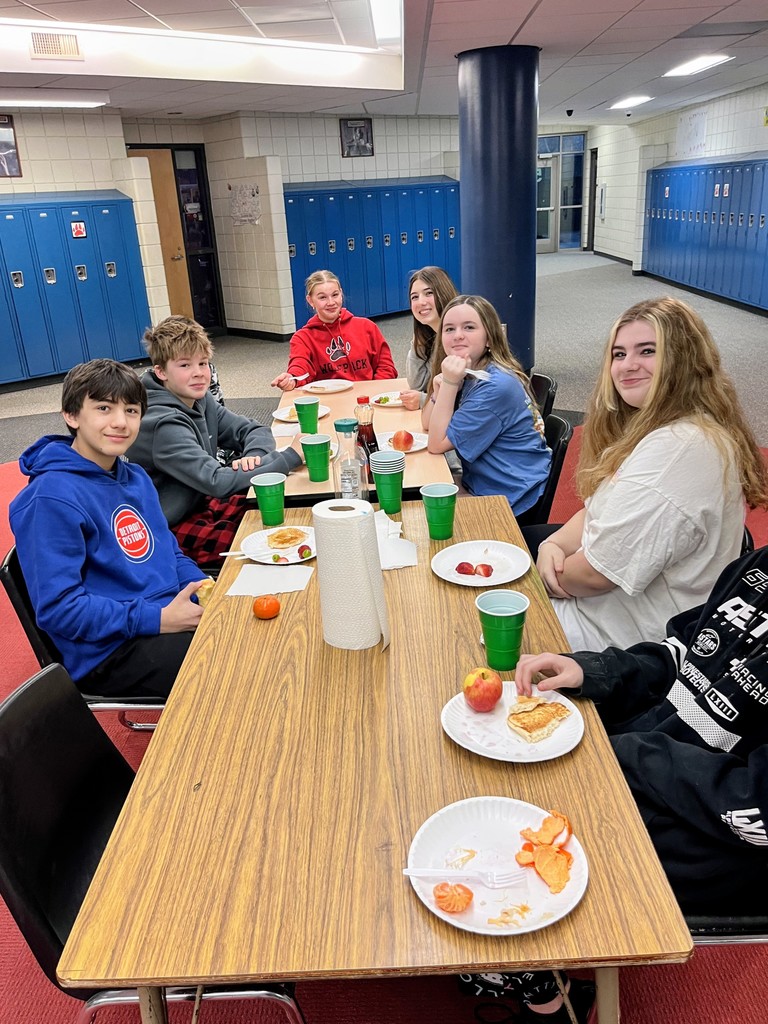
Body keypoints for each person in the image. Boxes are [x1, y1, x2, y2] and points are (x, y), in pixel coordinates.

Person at [515, 544, 768, 915]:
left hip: (703, 835)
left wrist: (629, 754)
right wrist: (595, 671)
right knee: (510, 763)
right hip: (642, 754)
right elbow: (679, 654)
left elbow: (754, 805)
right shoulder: (757, 568)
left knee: (532, 850)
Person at [533, 297, 768, 652]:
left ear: (683, 359)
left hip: (617, 645)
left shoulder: (679, 450)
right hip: (598, 612)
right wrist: (551, 545)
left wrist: (544, 574)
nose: (628, 365)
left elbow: (596, 576)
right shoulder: (660, 429)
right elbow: (596, 510)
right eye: (619, 354)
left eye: (647, 351)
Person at [9, 359, 208, 699]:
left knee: (248, 631)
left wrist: (201, 587)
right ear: (72, 415)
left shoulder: (135, 477)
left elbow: (169, 552)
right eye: (104, 408)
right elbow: (60, 610)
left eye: (131, 411)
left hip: (162, 614)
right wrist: (157, 619)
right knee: (231, 665)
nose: (120, 422)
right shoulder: (49, 499)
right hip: (110, 649)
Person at [127, 315, 303, 571]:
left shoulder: (198, 398)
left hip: (201, 501)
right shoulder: (161, 424)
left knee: (285, 509)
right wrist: (290, 457)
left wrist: (252, 456)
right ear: (161, 371)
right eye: (185, 365)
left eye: (203, 363)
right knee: (263, 542)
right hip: (169, 527)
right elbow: (217, 481)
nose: (199, 373)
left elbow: (253, 429)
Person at [421, 294, 551, 517]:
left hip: (512, 497)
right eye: (449, 329)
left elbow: (436, 443)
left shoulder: (495, 387)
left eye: (469, 327)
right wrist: (439, 388)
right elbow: (426, 423)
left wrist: (450, 384)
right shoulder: (471, 373)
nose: (458, 335)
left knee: (422, 509)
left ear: (489, 338)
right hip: (487, 481)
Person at [271, 270, 397, 391]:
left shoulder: (367, 327)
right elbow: (300, 365)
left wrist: (374, 392)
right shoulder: (302, 338)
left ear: (341, 294)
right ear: (310, 301)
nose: (331, 302)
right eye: (322, 297)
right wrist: (292, 378)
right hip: (328, 400)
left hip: (366, 398)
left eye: (335, 295)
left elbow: (386, 366)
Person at [400, 266, 458, 411]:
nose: (421, 302)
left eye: (429, 293)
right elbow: (417, 384)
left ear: (443, 293)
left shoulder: (459, 338)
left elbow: (464, 400)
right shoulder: (431, 335)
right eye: (414, 297)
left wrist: (424, 400)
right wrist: (417, 343)